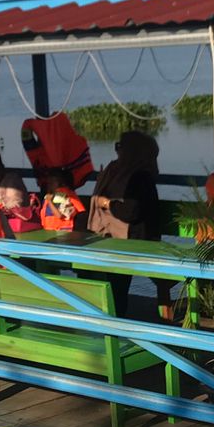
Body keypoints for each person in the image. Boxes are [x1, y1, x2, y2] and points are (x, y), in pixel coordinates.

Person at [87, 130, 166, 318]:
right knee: (94, 266)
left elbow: (131, 212)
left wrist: (106, 203)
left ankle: (112, 319)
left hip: (138, 240)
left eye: (120, 147)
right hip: (125, 239)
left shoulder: (139, 178)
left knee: (110, 272)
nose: (117, 152)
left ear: (132, 151)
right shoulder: (122, 171)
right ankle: (110, 315)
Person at [38, 167, 87, 232]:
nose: (49, 184)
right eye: (48, 182)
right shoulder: (53, 195)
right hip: (52, 229)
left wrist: (49, 201)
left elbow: (59, 215)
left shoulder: (62, 195)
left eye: (52, 182)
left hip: (61, 230)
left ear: (61, 182)